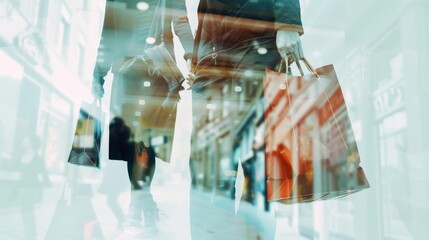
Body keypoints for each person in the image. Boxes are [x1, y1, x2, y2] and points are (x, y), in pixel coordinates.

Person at [189, 0, 305, 238]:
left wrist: (288, 23)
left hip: (257, 51)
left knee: (258, 177)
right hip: (212, 63)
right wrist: (196, 61)